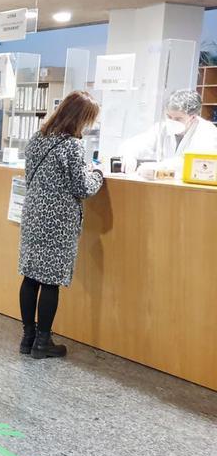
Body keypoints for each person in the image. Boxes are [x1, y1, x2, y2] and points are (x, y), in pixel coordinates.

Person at [18, 91, 104, 359]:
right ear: (80, 118)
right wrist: (99, 175)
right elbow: (82, 186)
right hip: (58, 219)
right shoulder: (72, 146)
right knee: (51, 280)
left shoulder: (37, 138)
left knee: (30, 276)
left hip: (33, 214)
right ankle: (43, 342)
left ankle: (27, 337)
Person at [121, 90, 217, 174]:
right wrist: (129, 155)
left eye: (178, 119)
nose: (172, 121)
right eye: (169, 116)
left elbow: (196, 163)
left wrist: (161, 166)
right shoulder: (162, 128)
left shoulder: (207, 131)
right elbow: (137, 143)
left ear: (193, 117)